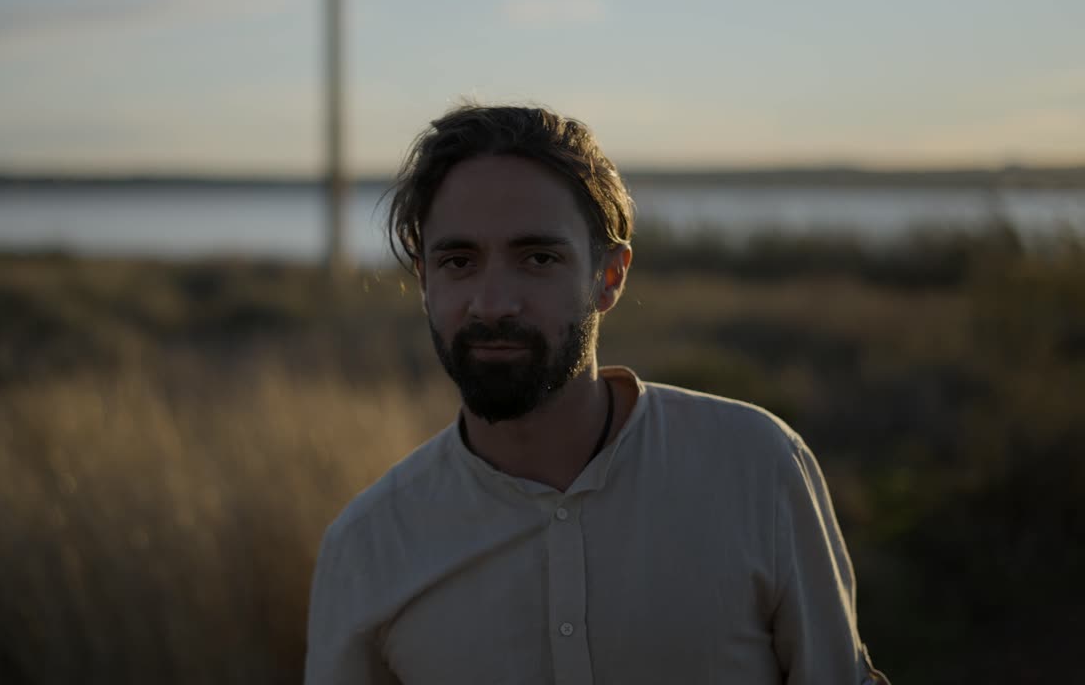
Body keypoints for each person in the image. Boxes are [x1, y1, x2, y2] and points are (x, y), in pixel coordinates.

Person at [305, 103, 889, 684]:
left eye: (538, 258)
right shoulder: (367, 548)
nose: (493, 303)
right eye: (458, 261)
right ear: (425, 281)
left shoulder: (757, 467)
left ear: (608, 276)